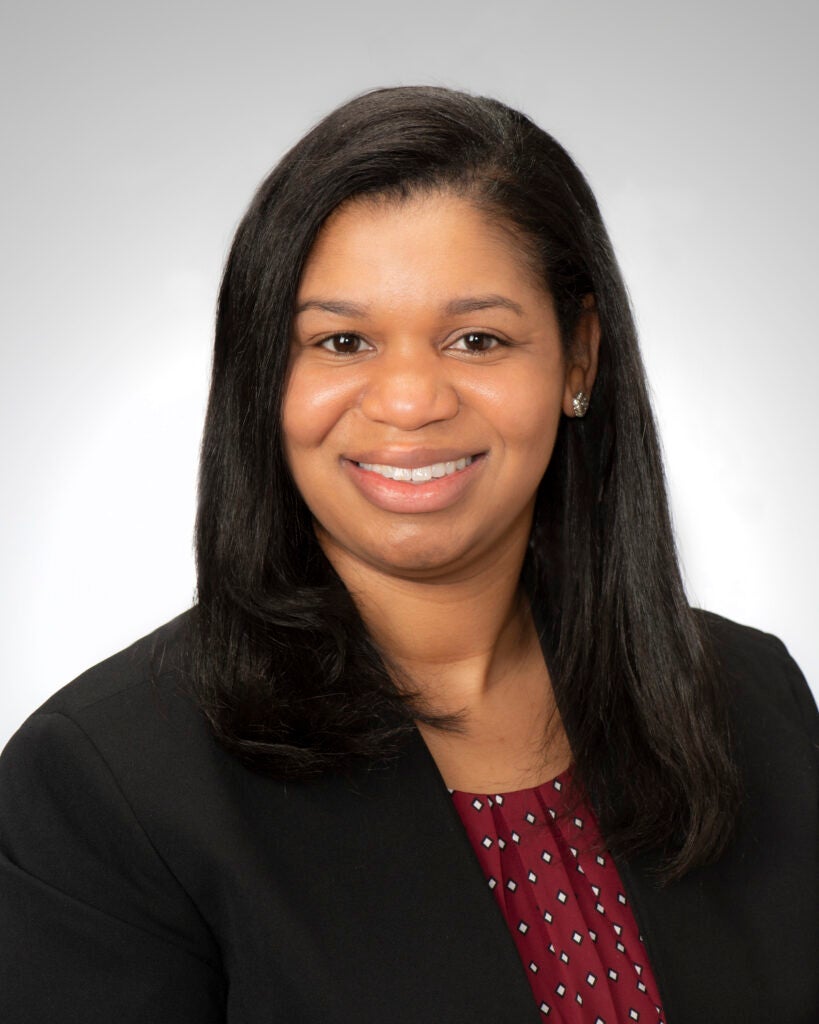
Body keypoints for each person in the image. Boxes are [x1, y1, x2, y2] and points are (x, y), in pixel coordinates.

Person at [0, 86, 816, 1024]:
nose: (409, 401)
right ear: (265, 373)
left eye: (476, 338)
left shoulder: (754, 703)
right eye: (341, 341)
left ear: (578, 361)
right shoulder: (104, 786)